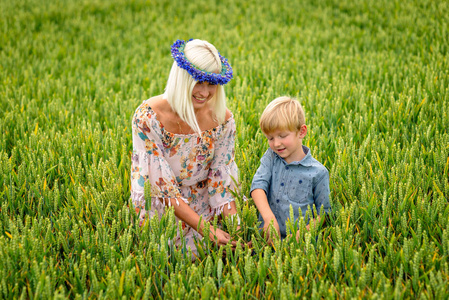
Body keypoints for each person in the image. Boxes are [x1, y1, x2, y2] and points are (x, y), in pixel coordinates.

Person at [130, 39, 239, 256]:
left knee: (231, 250)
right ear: (182, 78)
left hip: (205, 200)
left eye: (211, 83)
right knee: (165, 258)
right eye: (198, 81)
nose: (205, 93)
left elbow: (221, 180)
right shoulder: (148, 118)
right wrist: (207, 230)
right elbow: (162, 188)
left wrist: (237, 228)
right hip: (162, 208)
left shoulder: (222, 119)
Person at [250, 96, 331, 242]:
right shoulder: (271, 157)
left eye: (282, 136)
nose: (276, 143)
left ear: (301, 132)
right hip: (266, 241)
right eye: (270, 138)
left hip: (300, 246)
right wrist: (268, 219)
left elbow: (324, 213)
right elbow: (257, 186)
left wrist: (300, 235)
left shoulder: (318, 173)